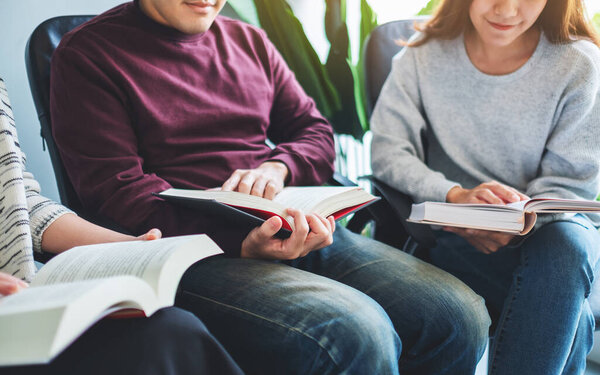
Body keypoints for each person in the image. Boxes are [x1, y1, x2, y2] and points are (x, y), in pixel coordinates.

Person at [49, 1, 491, 374]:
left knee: (456, 314)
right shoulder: (89, 54)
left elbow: (314, 132)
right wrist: (239, 241)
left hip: (288, 223)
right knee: (355, 330)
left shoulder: (249, 41)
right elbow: (121, 194)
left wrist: (278, 168)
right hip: (188, 250)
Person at [370, 0, 600, 374]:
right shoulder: (422, 55)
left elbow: (571, 185)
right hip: (463, 234)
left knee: (566, 245)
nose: (506, 9)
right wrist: (455, 198)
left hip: (552, 230)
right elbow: (387, 151)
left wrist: (515, 220)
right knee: (574, 315)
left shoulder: (580, 64)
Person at [0, 77, 243, 375]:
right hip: (13, 323)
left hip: (21, 301)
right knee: (167, 336)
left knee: (174, 330)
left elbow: (17, 201)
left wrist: (130, 245)